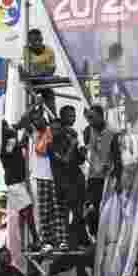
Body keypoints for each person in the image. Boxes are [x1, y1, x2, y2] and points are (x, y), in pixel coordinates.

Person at [30, 109, 68, 250]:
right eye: (34, 119)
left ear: (44, 118)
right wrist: (36, 105)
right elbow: (41, 150)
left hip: (56, 176)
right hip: (42, 176)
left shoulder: (53, 130)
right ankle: (47, 242)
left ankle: (62, 240)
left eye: (39, 118)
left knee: (58, 209)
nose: (37, 121)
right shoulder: (36, 133)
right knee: (44, 211)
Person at [0, 121, 41, 251]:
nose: (9, 128)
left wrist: (25, 132)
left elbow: (21, 143)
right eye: (6, 127)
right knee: (27, 210)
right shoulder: (6, 145)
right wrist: (20, 129)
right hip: (15, 183)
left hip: (17, 182)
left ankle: (27, 242)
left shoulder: (10, 143)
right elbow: (15, 144)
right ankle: (35, 239)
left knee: (24, 213)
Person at [52, 105, 89, 247]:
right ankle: (70, 240)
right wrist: (73, 145)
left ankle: (80, 238)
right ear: (62, 117)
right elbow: (64, 160)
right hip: (65, 180)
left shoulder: (73, 134)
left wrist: (82, 153)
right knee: (68, 213)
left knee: (80, 211)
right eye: (70, 116)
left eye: (74, 116)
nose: (73, 119)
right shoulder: (57, 136)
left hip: (76, 177)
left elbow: (77, 160)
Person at [83, 105, 118, 238]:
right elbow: (87, 147)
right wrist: (83, 151)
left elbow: (117, 156)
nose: (90, 121)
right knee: (91, 208)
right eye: (88, 118)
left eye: (92, 118)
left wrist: (115, 175)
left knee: (106, 209)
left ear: (101, 116)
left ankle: (106, 237)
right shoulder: (89, 130)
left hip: (108, 178)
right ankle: (95, 236)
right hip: (93, 177)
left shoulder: (112, 132)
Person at [23, 28, 57, 114]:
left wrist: (39, 75)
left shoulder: (49, 50)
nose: (38, 43)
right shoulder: (25, 50)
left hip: (43, 82)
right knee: (32, 104)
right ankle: (31, 119)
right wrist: (37, 75)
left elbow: (51, 69)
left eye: (39, 40)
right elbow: (24, 72)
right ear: (30, 42)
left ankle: (53, 121)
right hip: (30, 83)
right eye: (34, 40)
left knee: (50, 98)